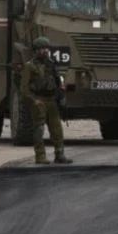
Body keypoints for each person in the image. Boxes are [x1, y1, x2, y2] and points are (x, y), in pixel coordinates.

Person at [20, 37, 73, 165]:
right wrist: (34, 100)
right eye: (42, 49)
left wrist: (61, 87)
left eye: (46, 48)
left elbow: (57, 78)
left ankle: (59, 154)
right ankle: (40, 156)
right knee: (39, 129)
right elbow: (24, 88)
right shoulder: (29, 66)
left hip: (51, 100)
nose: (45, 51)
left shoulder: (51, 64)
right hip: (39, 100)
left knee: (57, 129)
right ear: (36, 50)